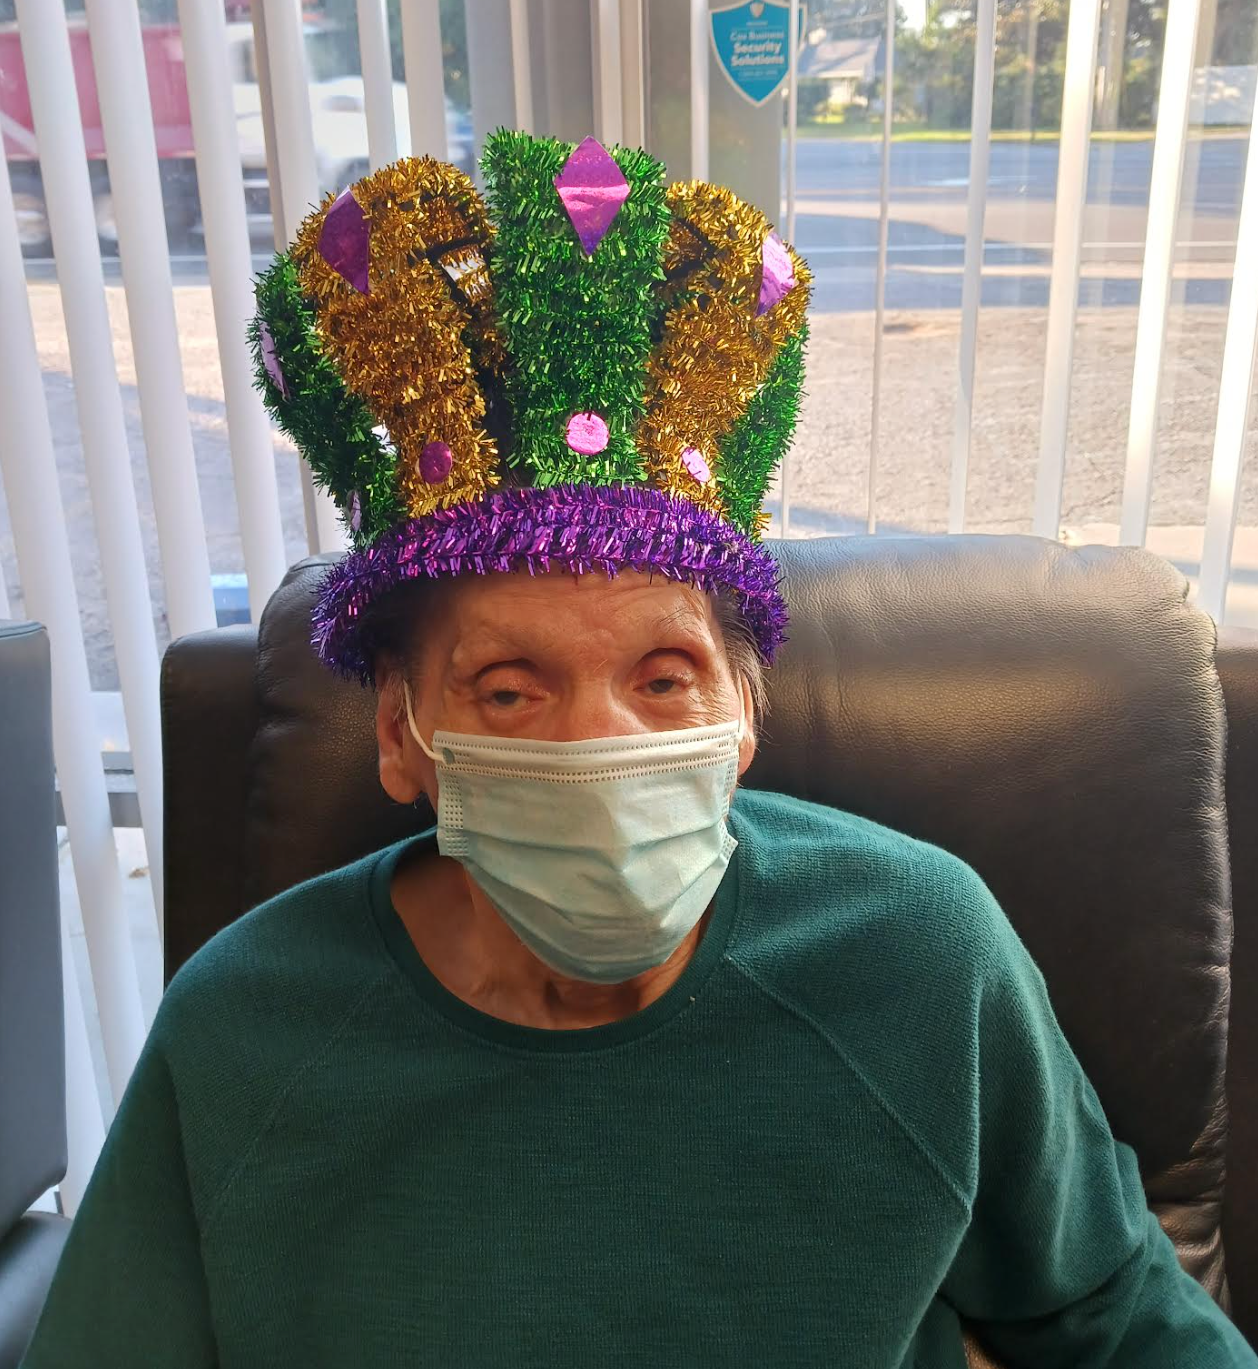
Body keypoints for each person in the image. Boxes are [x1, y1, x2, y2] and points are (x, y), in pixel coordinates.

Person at [21, 131, 1256, 1367]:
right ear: (402, 734)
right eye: (508, 692)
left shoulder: (920, 957)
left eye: (664, 679)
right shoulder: (246, 1031)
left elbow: (1123, 1320)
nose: (601, 743)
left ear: (744, 714)